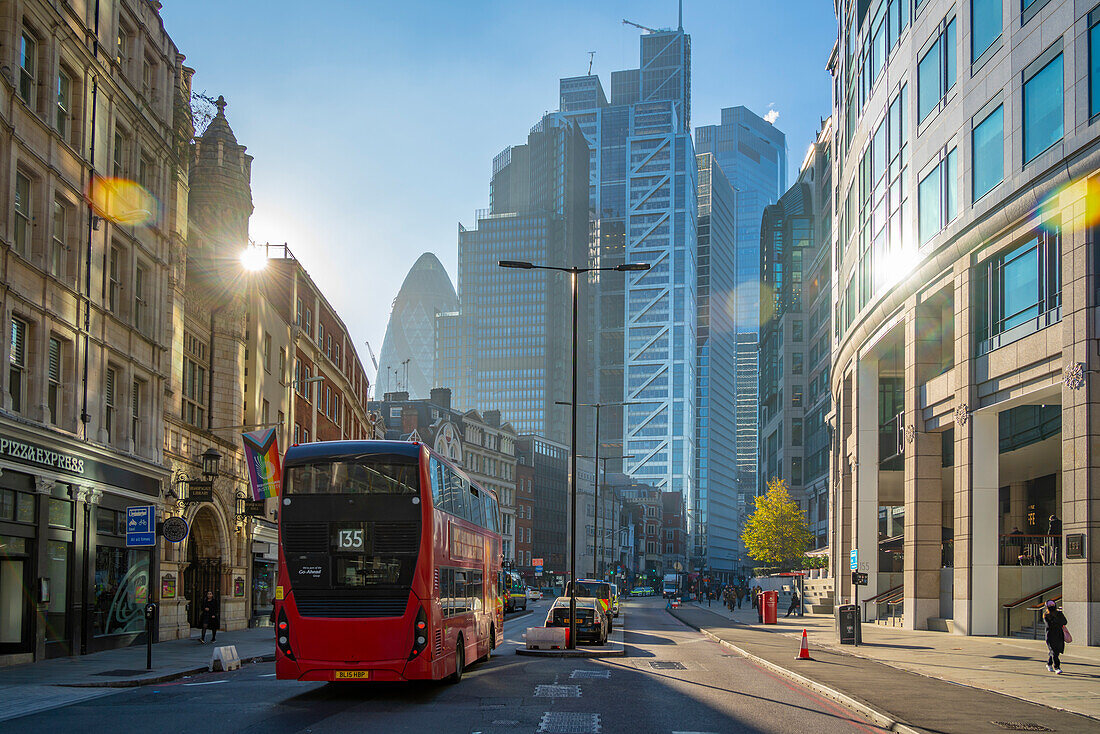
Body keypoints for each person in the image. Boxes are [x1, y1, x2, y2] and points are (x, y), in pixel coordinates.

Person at [1042, 599, 1068, 674]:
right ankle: (1057, 667)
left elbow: (1064, 622)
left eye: (1052, 605)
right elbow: (1049, 625)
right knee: (1054, 651)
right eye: (1049, 605)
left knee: (1056, 651)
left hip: (1059, 634)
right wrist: (1057, 622)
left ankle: (1049, 664)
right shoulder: (1046, 615)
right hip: (1050, 635)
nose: (1051, 606)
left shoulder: (1059, 613)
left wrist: (1056, 621)